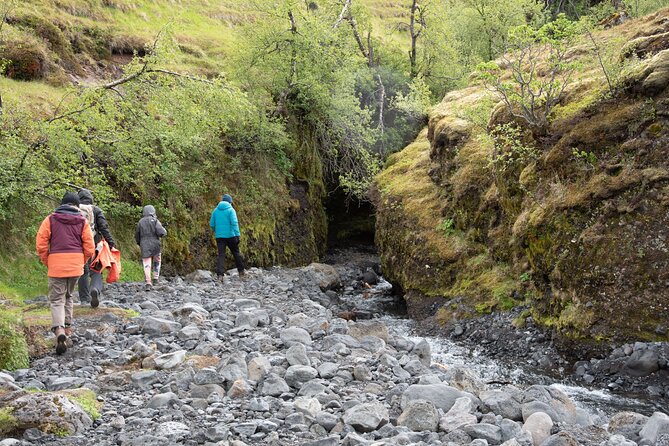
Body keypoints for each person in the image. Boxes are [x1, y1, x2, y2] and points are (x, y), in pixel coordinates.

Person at [36, 192, 95, 354]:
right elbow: (89, 247)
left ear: (62, 204)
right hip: (76, 264)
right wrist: (80, 262)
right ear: (76, 206)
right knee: (68, 296)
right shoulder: (83, 221)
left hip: (56, 263)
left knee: (56, 299)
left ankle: (59, 330)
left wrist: (47, 260)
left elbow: (41, 243)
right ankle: (68, 328)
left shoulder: (50, 219)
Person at [77, 188, 116, 308]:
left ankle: (84, 299)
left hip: (77, 245)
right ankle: (94, 289)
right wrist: (110, 243)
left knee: (82, 271)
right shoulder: (96, 210)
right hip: (94, 245)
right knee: (96, 270)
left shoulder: (75, 209)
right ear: (91, 198)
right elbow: (104, 228)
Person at [210, 194, 245, 279]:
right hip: (231, 236)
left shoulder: (215, 210)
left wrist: (217, 231)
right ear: (230, 201)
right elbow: (234, 223)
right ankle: (241, 272)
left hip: (219, 237)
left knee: (221, 255)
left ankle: (220, 275)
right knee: (236, 253)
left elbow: (211, 224)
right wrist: (237, 235)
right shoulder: (231, 210)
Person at [135, 205, 167, 291]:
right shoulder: (155, 220)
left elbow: (137, 235)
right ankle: (156, 279)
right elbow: (162, 232)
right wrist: (164, 230)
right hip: (155, 244)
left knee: (146, 263)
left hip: (144, 244)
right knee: (157, 261)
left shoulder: (140, 222)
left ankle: (148, 282)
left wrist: (139, 243)